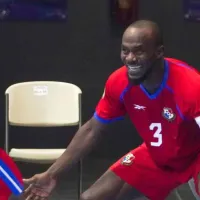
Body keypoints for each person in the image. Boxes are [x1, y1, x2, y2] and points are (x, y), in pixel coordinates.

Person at [23, 19, 200, 200]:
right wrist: (52, 174)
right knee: (90, 198)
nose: (130, 58)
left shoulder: (190, 85)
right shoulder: (119, 82)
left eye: (138, 51)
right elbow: (92, 130)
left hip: (194, 157)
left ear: (159, 52)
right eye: (125, 50)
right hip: (156, 156)